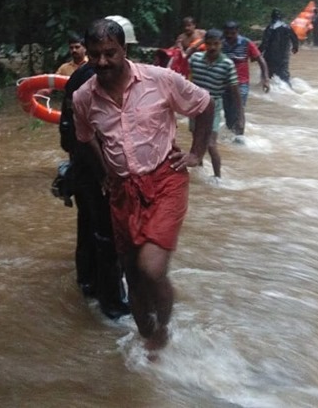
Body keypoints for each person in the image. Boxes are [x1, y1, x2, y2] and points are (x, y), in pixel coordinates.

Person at [72, 18, 214, 352]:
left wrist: (196, 152)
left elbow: (205, 105)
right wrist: (105, 168)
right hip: (122, 190)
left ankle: (164, 330)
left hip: (165, 179)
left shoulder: (160, 79)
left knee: (150, 268)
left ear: (124, 49)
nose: (103, 61)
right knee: (131, 274)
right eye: (95, 55)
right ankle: (146, 339)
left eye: (110, 53)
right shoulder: (83, 97)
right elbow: (84, 137)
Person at [59, 40, 130, 320]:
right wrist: (107, 174)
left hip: (81, 168)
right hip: (98, 171)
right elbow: (101, 133)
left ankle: (87, 284)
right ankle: (112, 304)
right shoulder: (98, 81)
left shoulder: (78, 76)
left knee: (88, 226)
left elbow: (68, 132)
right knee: (109, 235)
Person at [188, 29, 243, 178]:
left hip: (213, 106)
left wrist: (240, 117)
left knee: (211, 144)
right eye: (209, 44)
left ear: (221, 44)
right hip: (195, 105)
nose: (212, 47)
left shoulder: (227, 64)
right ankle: (198, 172)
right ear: (204, 44)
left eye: (216, 44)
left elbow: (235, 92)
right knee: (196, 143)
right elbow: (182, 72)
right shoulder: (195, 59)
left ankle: (217, 178)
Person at [220, 21, 269, 140]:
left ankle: (240, 137)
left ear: (237, 32)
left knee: (239, 109)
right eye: (227, 33)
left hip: (241, 84)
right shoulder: (220, 43)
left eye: (233, 33)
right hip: (224, 84)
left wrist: (265, 79)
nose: (230, 36)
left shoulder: (246, 43)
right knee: (228, 113)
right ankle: (230, 136)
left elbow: (260, 60)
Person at [260, 9, 300, 85]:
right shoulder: (287, 27)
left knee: (268, 75)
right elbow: (294, 38)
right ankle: (289, 91)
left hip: (270, 56)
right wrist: (295, 47)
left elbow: (265, 42)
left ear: (272, 17)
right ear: (281, 17)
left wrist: (258, 52)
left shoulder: (270, 27)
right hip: (283, 55)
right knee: (284, 74)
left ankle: (267, 92)